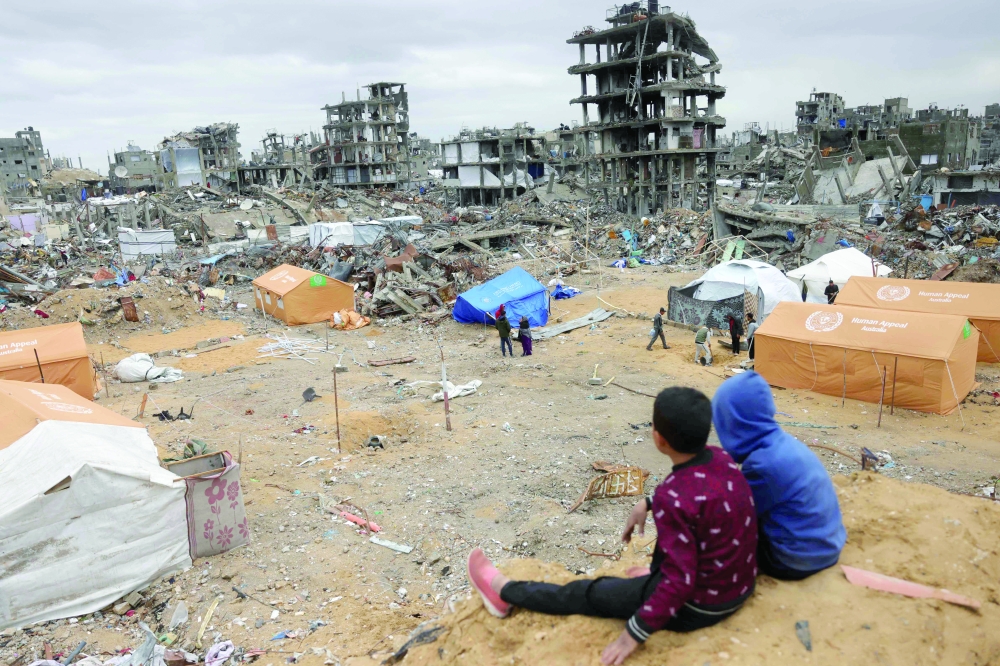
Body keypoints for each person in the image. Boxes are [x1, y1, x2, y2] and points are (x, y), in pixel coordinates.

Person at [467, 387, 757, 665]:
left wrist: (634, 634)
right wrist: (648, 502)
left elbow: (679, 582)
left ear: (658, 439)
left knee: (588, 592)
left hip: (698, 606)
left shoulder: (674, 497)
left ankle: (502, 592)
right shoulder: (721, 460)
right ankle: (654, 577)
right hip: (737, 587)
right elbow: (702, 501)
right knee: (675, 554)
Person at [712, 371, 847, 581]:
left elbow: (734, 515)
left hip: (797, 560)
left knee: (721, 540)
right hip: (829, 545)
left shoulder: (761, 465)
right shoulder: (783, 444)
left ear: (734, 421)